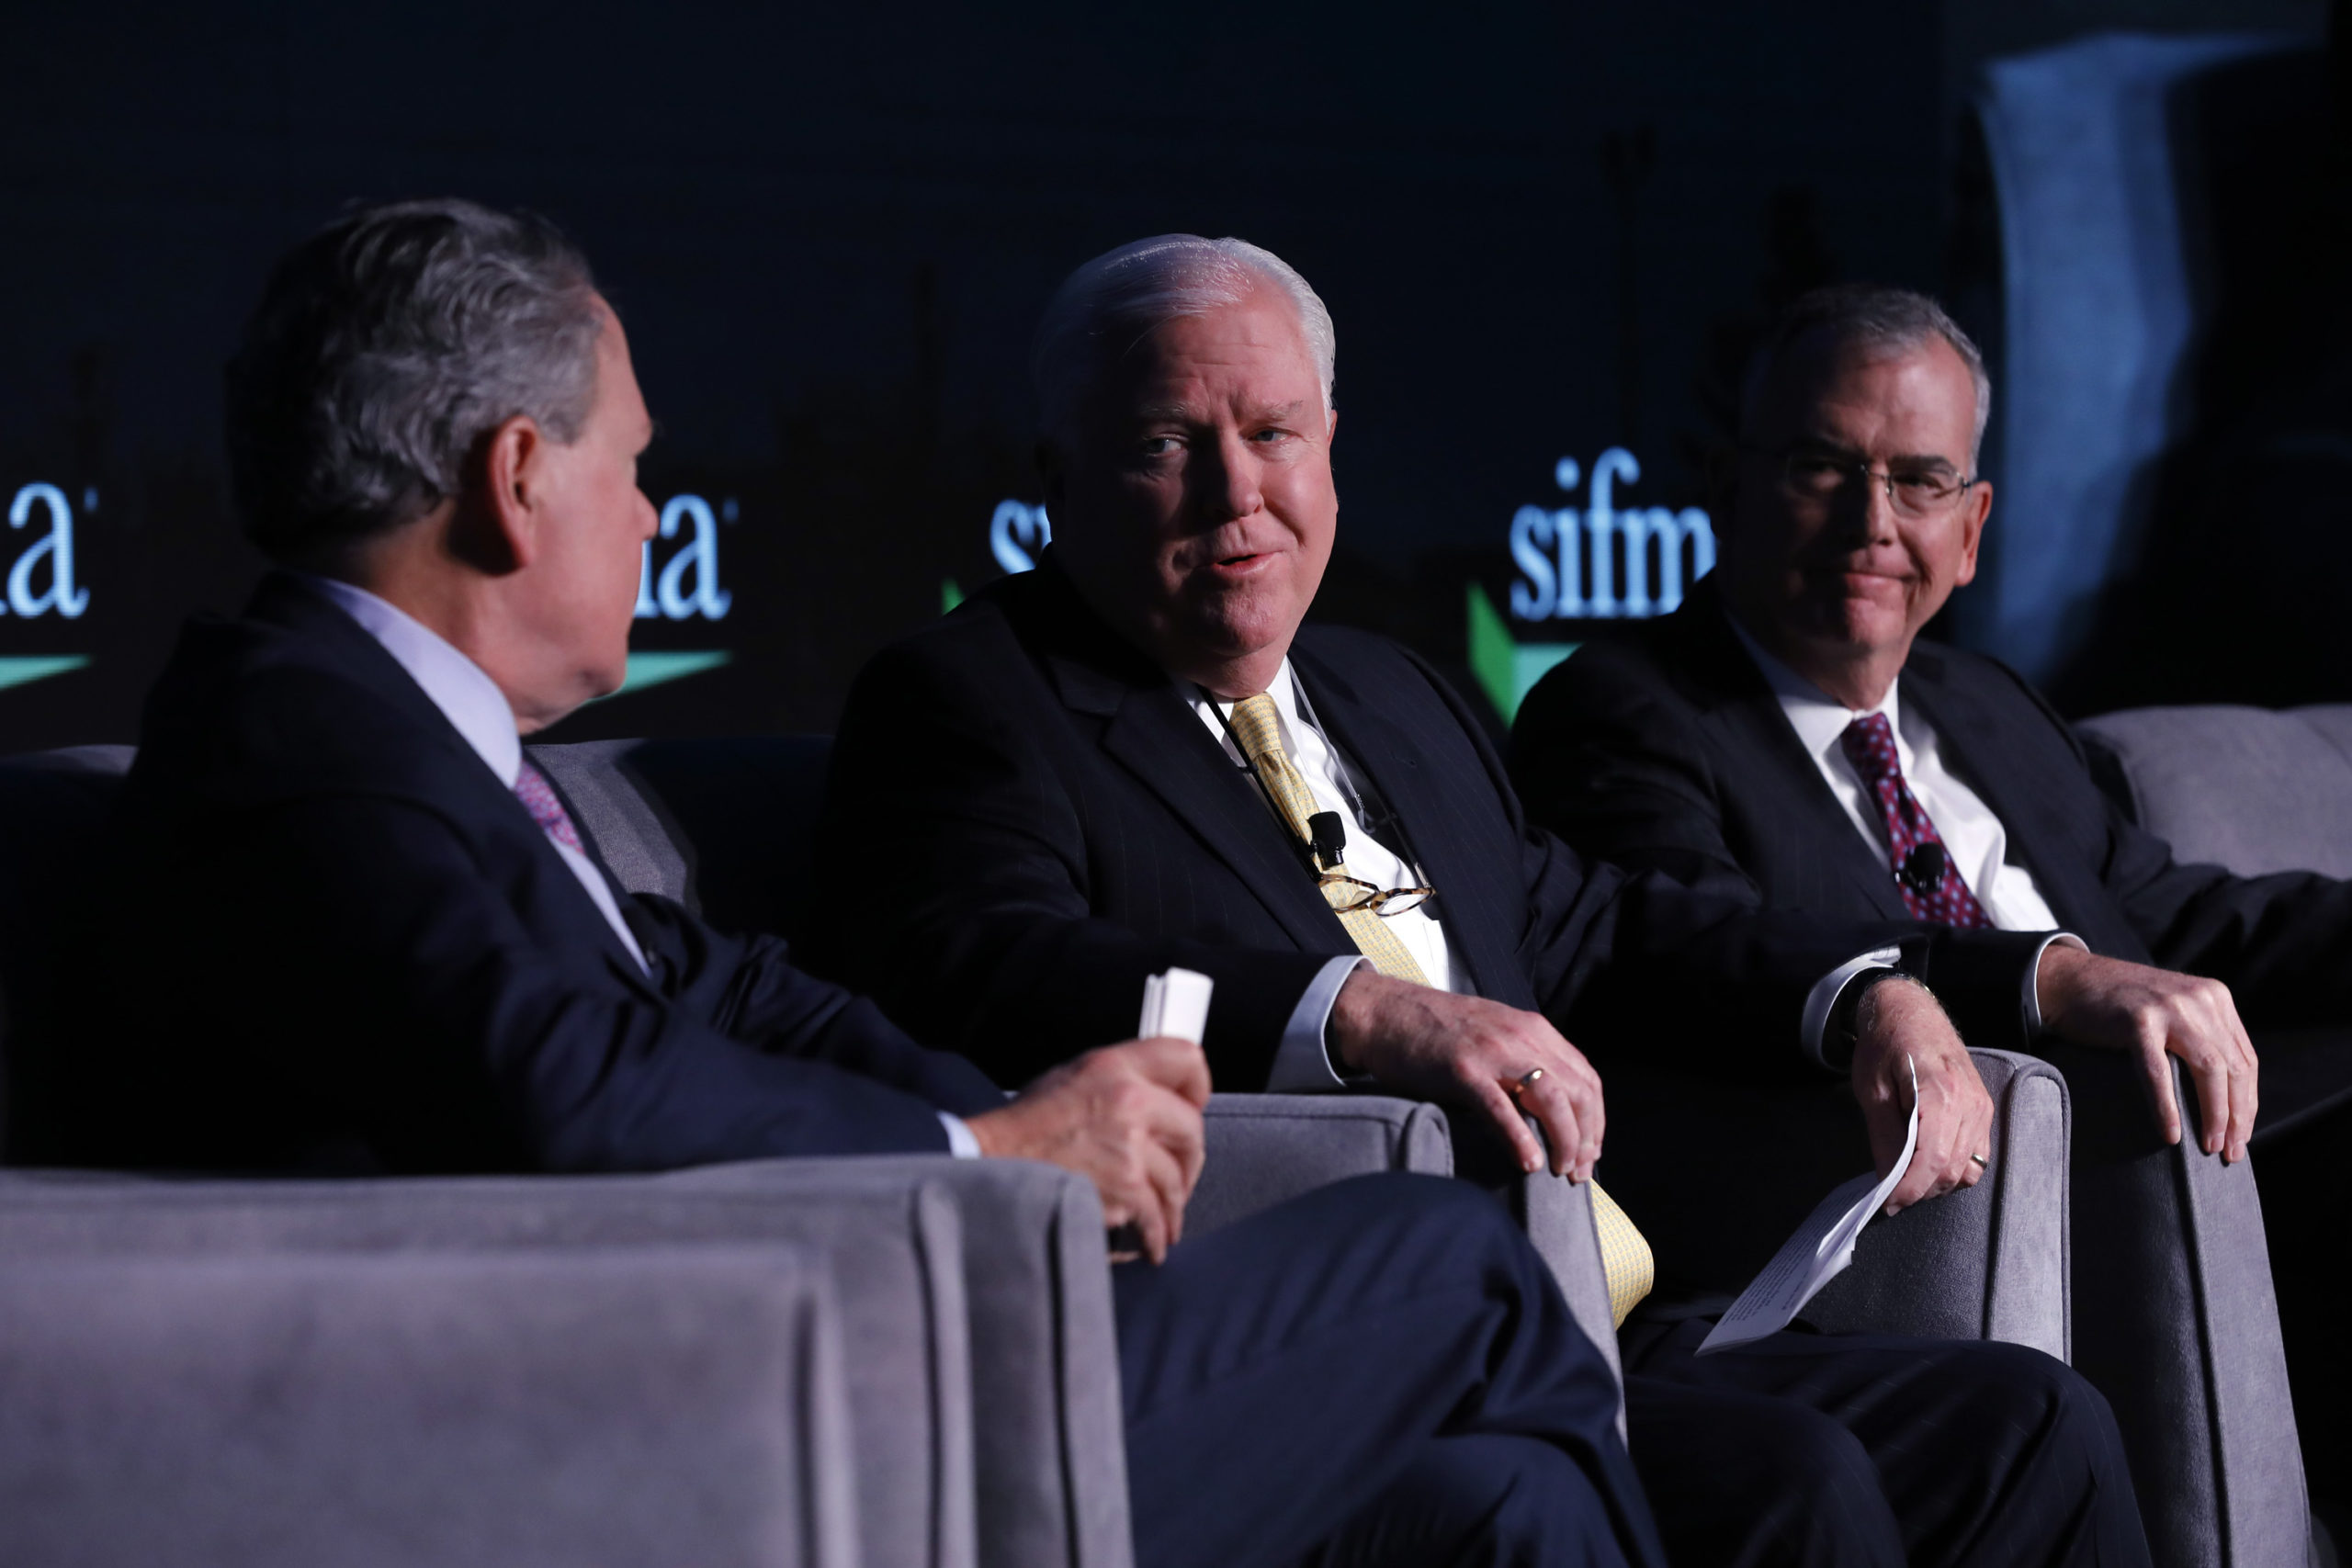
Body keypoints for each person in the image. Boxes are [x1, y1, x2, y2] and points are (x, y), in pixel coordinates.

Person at [79, 199, 1667, 1568]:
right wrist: (980, 1147)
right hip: (688, 1430)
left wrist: (1040, 1156)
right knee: (1450, 1256)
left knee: (1505, 1499)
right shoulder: (299, 753)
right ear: (513, 479)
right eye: (634, 466)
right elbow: (560, 1082)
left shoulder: (395, 744)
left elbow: (715, 984)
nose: (649, 515)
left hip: (785, 1343)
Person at [807, 234, 2151, 1568]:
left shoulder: (1397, 694)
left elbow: (1610, 920)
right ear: (1058, 476)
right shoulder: (970, 699)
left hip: (1620, 1310)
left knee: (2034, 1422)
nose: (1236, 494)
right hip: (1405, 1360)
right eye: (1166, 444)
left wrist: (1868, 995)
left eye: (1274, 434)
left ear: (1329, 446)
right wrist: (1361, 1014)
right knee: (1791, 1481)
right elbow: (987, 963)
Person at [1508, 282, 2352, 1529]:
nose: (1872, 523)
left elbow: (2169, 917)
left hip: (2200, 1165)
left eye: (1920, 482)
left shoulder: (1994, 708)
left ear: (1973, 527)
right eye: (1821, 467)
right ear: (1727, 484)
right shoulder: (1623, 711)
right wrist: (2045, 973)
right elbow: (1704, 939)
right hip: (1961, 1206)